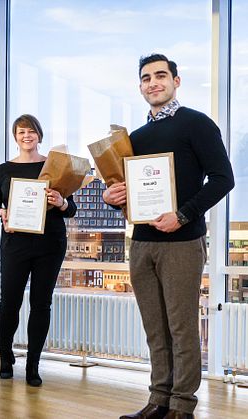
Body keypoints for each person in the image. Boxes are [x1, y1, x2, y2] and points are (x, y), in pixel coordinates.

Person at [106, 54, 234, 419]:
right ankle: (159, 399)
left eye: (161, 75)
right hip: (142, 243)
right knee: (154, 329)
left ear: (176, 81)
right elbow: (128, 192)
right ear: (140, 86)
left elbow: (224, 179)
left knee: (182, 329)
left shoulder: (197, 124)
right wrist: (112, 198)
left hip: (182, 242)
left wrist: (183, 215)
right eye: (146, 78)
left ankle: (182, 406)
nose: (153, 83)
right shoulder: (134, 139)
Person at [0, 114, 76, 387]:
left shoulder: (55, 167)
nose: (27, 136)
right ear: (15, 136)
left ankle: (33, 363)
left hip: (50, 244)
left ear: (39, 135)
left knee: (41, 304)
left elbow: (71, 209)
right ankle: (5, 355)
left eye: (31, 131)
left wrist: (60, 202)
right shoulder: (3, 170)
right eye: (22, 132)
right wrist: (3, 212)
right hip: (15, 244)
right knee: (9, 302)